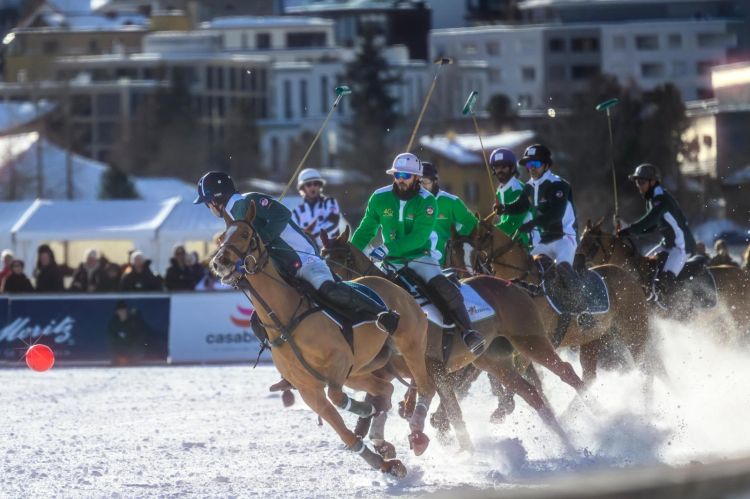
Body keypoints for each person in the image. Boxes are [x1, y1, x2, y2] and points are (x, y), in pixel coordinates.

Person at [195, 171, 400, 393]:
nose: (208, 208)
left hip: (304, 258)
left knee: (327, 289)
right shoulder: (231, 218)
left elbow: (282, 214)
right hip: (283, 268)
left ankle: (381, 313)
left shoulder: (248, 200)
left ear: (215, 199)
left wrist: (261, 240)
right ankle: (290, 370)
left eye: (207, 203)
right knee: (260, 321)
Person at [351, 153, 485, 354]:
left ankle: (468, 332)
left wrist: (388, 248)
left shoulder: (428, 201)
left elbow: (418, 237)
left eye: (406, 175)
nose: (400, 179)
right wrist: (351, 252)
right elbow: (365, 230)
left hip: (419, 258)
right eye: (397, 175)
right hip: (390, 262)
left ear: (416, 177)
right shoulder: (379, 197)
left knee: (441, 285)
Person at [513, 144, 585, 312]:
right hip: (546, 240)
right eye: (529, 165)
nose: (531, 169)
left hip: (565, 237)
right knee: (527, 266)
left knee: (562, 267)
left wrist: (531, 224)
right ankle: (543, 296)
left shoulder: (559, 185)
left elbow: (556, 214)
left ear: (546, 165)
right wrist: (504, 208)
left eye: (535, 164)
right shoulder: (529, 186)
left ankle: (583, 309)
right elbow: (520, 206)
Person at [618, 163, 697, 301]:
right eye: (637, 182)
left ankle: (679, 308)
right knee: (641, 267)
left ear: (653, 182)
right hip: (667, 244)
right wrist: (629, 231)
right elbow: (652, 227)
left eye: (641, 182)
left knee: (664, 282)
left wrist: (629, 229)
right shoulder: (651, 199)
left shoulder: (661, 199)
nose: (639, 186)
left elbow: (649, 220)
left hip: (681, 247)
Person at [419, 162, 478, 267]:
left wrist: (456, 238)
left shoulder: (451, 202)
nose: (422, 186)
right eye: (419, 182)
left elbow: (473, 224)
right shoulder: (411, 203)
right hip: (418, 261)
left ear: (435, 181)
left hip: (445, 264)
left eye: (426, 181)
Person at [489, 148, 535, 249]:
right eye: (496, 167)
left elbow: (512, 224)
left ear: (513, 168)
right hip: (510, 241)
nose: (500, 171)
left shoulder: (517, 190)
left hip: (528, 243)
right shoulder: (499, 191)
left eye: (503, 167)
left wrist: (488, 232)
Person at [290, 168, 342, 248]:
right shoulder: (296, 212)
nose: (313, 187)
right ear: (302, 188)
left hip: (331, 251)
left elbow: (333, 223)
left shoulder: (329, 202)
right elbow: (293, 235)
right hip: (307, 253)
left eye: (316, 184)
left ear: (320, 186)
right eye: (308, 184)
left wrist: (310, 235)